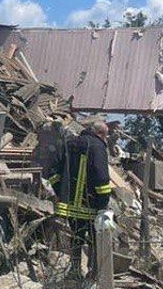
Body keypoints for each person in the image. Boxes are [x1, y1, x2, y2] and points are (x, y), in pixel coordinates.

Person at [44, 117, 114, 274]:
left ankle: (74, 272)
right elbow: (101, 177)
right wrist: (103, 204)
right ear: (100, 134)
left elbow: (52, 171)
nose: (107, 139)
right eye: (106, 135)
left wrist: (60, 192)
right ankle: (93, 274)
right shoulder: (98, 147)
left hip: (69, 207)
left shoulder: (70, 143)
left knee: (77, 237)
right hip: (92, 206)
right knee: (96, 240)